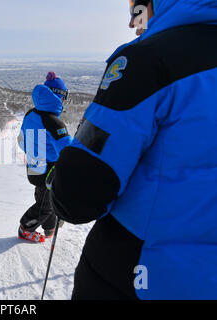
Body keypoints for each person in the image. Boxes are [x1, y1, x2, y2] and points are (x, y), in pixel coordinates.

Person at [50, 0, 217, 299]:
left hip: (143, 272)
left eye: (136, 6)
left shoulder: (150, 60)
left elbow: (77, 196)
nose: (132, 21)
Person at [17, 72, 72, 243]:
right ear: (59, 96)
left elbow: (21, 141)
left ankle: (49, 228)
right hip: (48, 170)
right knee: (46, 205)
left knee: (43, 197)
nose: (64, 102)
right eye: (65, 97)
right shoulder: (53, 122)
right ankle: (25, 228)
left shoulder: (31, 114)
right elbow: (68, 152)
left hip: (33, 166)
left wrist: (34, 153)